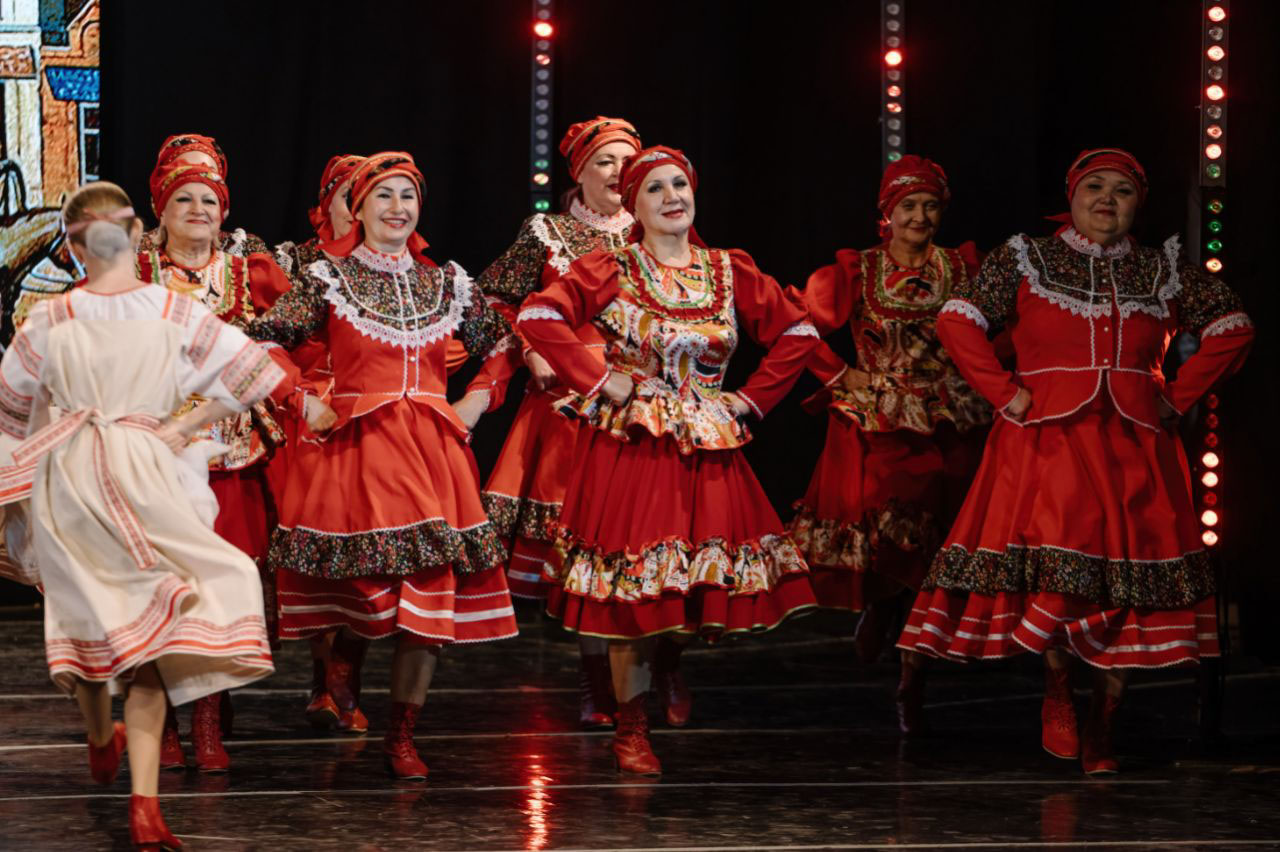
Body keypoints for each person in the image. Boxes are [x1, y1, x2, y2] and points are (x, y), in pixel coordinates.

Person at [895, 148, 1254, 774]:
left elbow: (1234, 327)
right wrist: (1005, 393)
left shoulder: (1163, 268)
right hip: (1048, 441)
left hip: (1137, 447)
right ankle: (1058, 688)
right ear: (1072, 195)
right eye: (1095, 187)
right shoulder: (1026, 258)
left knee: (1132, 582)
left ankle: (1103, 721)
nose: (1107, 199)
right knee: (1060, 573)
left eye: (1122, 190)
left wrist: (1175, 396)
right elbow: (957, 320)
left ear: (1138, 204)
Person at [0, 181, 287, 850]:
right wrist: (182, 426)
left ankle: (108, 745)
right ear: (135, 235)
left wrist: (22, 486)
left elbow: (12, 412)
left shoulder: (48, 321)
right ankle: (144, 804)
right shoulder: (172, 310)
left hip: (73, 477)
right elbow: (255, 374)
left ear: (73, 248)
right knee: (148, 640)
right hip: (145, 472)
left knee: (89, 626)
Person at [518, 145, 820, 774]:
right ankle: (631, 727)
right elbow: (540, 315)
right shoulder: (614, 267)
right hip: (636, 446)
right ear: (634, 204)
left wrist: (751, 399)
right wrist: (597, 379)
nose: (671, 197)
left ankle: (669, 665)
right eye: (654, 188)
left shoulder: (728, 269)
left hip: (707, 445)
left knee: (692, 583)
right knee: (636, 589)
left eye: (679, 184)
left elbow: (798, 333)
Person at [247, 152, 519, 780]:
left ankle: (402, 735)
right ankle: (342, 661)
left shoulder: (446, 282)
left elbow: (504, 344)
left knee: (429, 601)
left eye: (408, 196)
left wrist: (476, 400)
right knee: (368, 592)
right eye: (384, 196)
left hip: (433, 454)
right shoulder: (329, 279)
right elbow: (262, 341)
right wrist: (303, 400)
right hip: (361, 451)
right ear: (360, 209)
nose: (398, 208)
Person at [788, 156, 990, 734]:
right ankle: (882, 608)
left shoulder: (963, 267)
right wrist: (837, 374)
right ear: (887, 213)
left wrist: (992, 376)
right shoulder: (858, 271)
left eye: (930, 206)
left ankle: (913, 673)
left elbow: (1004, 329)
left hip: (951, 416)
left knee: (939, 547)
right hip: (882, 419)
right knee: (895, 528)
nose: (920, 217)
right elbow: (794, 323)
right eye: (908, 206)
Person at [472, 116, 640, 729]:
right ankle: (598, 680)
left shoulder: (655, 229)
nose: (619, 172)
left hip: (641, 405)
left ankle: (663, 665)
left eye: (628, 160)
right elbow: (491, 299)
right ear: (580, 172)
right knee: (586, 552)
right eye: (606, 161)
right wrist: (531, 348)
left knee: (649, 541)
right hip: (569, 409)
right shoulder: (548, 233)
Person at [138, 160, 295, 771]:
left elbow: (297, 336)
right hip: (155, 449)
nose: (198, 210)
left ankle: (208, 721)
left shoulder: (246, 272)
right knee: (161, 586)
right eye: (184, 200)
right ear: (161, 210)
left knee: (221, 585)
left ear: (224, 212)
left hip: (231, 452)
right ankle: (164, 725)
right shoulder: (135, 271)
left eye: (209, 200)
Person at [270, 153, 374, 734]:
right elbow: (266, 335)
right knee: (319, 548)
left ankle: (346, 669)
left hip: (373, 417)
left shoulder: (400, 266)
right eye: (349, 194)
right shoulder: (296, 263)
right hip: (308, 415)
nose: (360, 206)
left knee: (372, 543)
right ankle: (323, 676)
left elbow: (445, 343)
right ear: (327, 203)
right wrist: (302, 389)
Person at [137, 133, 271, 257]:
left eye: (208, 172)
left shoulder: (247, 254)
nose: (197, 177)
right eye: (183, 169)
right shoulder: (134, 252)